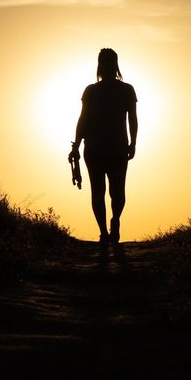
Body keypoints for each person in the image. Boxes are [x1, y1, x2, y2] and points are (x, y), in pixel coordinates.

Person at [69, 48, 138, 244]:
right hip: (100, 149)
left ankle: (112, 223)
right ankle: (105, 232)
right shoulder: (92, 91)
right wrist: (76, 146)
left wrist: (133, 142)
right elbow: (83, 119)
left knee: (112, 192)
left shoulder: (126, 90)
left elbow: (132, 118)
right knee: (107, 192)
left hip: (111, 148)